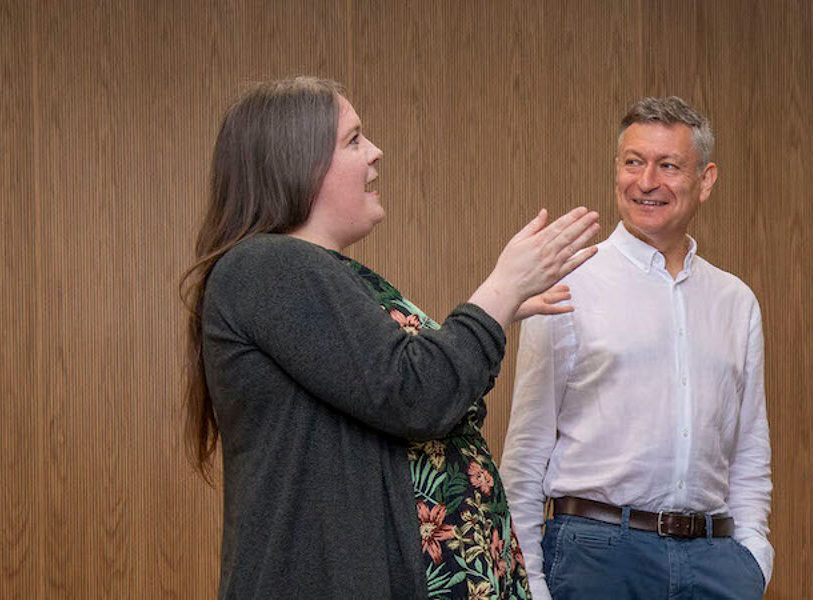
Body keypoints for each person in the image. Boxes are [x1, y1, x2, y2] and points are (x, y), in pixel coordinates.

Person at [179, 76, 601, 598]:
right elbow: (415, 393)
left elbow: (399, 383)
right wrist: (498, 293)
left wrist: (500, 310)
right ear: (299, 162)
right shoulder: (266, 266)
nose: (376, 151)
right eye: (353, 139)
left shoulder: (323, 274)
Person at [499, 96, 772, 599]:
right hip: (595, 559)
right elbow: (526, 452)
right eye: (633, 162)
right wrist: (530, 583)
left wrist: (753, 558)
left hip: (715, 563)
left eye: (668, 165)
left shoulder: (736, 302)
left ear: (705, 179)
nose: (646, 182)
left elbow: (749, 452)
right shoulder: (568, 284)